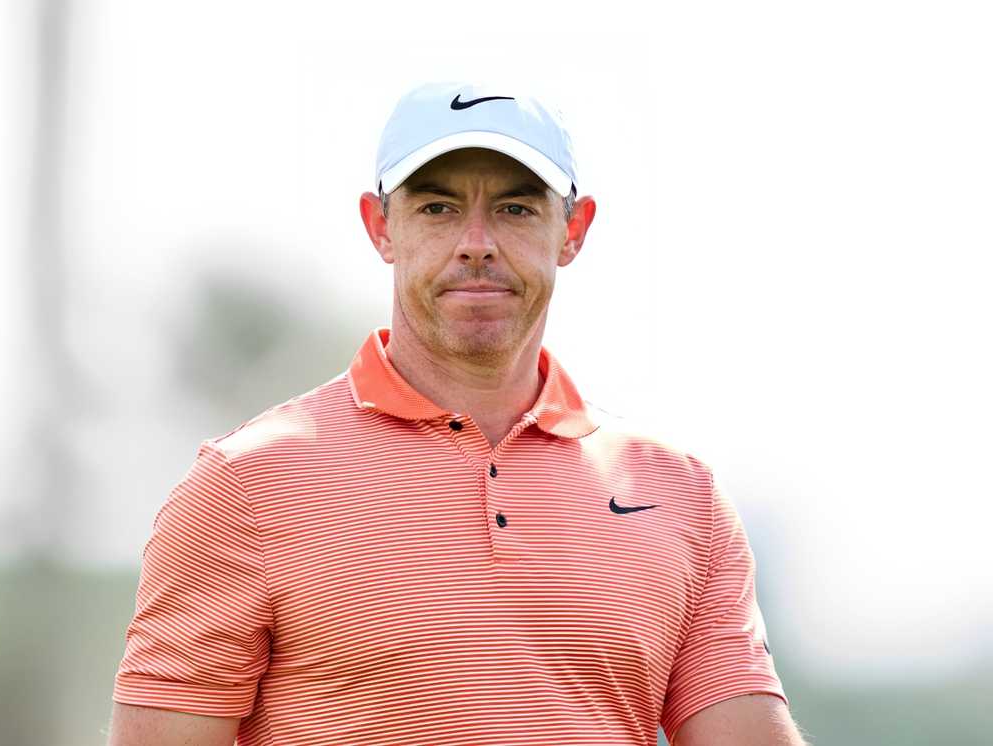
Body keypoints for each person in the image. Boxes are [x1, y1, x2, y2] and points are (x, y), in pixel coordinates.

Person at [107, 81, 809, 745]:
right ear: (380, 226)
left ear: (574, 229)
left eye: (516, 208)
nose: (477, 242)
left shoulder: (681, 497)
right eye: (438, 208)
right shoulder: (246, 486)